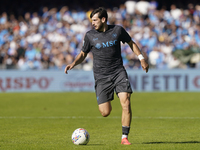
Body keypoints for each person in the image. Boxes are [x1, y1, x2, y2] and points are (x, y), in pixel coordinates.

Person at [64, 7, 149, 145]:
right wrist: (73, 63)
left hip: (118, 72)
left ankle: (124, 137)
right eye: (92, 20)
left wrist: (141, 58)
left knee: (126, 103)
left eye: (95, 20)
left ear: (103, 19)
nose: (93, 23)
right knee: (105, 112)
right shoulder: (90, 35)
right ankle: (109, 99)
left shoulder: (118, 30)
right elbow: (83, 53)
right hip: (101, 76)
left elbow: (131, 43)